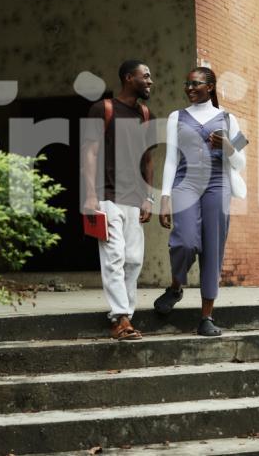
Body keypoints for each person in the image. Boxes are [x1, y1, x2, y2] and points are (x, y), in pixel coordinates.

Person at [153, 66, 247, 336]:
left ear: (210, 87)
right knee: (184, 241)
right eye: (187, 83)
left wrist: (227, 146)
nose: (190, 88)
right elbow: (171, 158)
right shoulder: (176, 117)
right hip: (186, 183)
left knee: (212, 250)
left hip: (218, 186)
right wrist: (165, 197)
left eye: (196, 84)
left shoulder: (229, 119)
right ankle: (175, 287)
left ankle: (206, 317)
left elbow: (241, 162)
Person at [83, 59, 156, 341]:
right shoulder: (103, 109)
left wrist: (148, 197)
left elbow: (148, 159)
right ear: (129, 78)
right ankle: (119, 318)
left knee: (134, 260)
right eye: (145, 76)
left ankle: (128, 316)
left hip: (135, 198)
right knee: (114, 257)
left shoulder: (146, 113)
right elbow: (89, 153)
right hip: (106, 195)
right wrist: (90, 194)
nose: (150, 81)